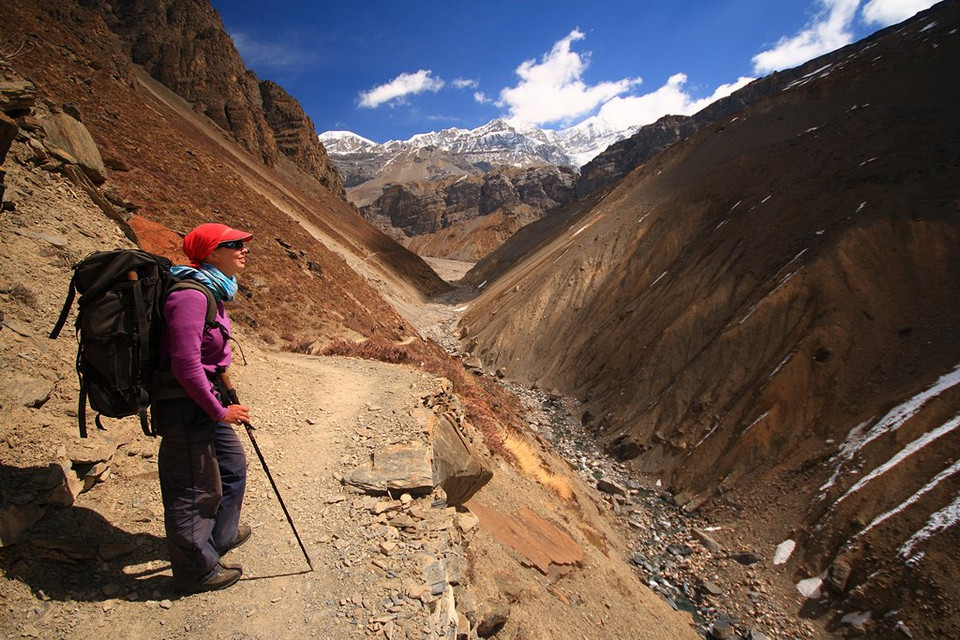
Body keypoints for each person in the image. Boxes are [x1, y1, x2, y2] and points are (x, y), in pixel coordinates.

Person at [152, 222, 253, 594]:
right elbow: (185, 365)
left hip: (206, 399)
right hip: (186, 405)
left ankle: (221, 535)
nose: (244, 250)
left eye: (244, 244)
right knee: (194, 488)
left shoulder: (214, 290)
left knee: (231, 466)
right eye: (234, 245)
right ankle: (197, 570)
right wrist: (219, 410)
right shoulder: (190, 296)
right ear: (211, 253)